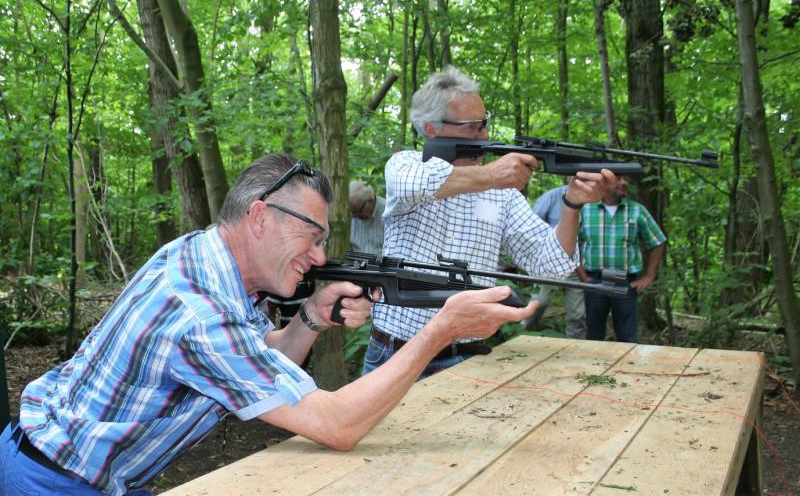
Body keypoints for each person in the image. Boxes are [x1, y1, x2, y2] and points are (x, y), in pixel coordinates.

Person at [1, 153, 536, 496]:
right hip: (53, 480)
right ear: (259, 217)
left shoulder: (202, 256)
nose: (321, 254)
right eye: (314, 236)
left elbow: (254, 359)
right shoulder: (198, 308)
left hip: (63, 462)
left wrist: (308, 317)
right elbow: (337, 426)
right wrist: (440, 329)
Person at [364, 66, 615, 378]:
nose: (484, 135)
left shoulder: (503, 195)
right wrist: (493, 175)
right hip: (395, 354)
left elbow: (551, 264)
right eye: (473, 126)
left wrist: (573, 202)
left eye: (485, 124)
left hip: (468, 358)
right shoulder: (406, 165)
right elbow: (413, 185)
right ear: (431, 129)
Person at [576, 175, 666, 343]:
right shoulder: (586, 210)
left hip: (623, 280)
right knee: (594, 333)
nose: (624, 183)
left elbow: (658, 241)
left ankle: (625, 367)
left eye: (626, 179)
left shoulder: (636, 210)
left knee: (626, 334)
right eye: (617, 179)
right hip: (595, 280)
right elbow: (571, 243)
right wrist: (583, 276)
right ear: (604, 182)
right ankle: (592, 368)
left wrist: (649, 275)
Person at [524, 183, 587, 338]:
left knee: (578, 314)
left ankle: (574, 346)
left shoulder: (593, 200)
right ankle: (522, 336)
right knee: (539, 303)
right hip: (549, 264)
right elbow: (530, 226)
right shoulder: (550, 197)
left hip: (577, 266)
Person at [349, 180, 385, 257]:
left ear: (371, 200)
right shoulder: (348, 217)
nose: (354, 216)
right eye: (352, 212)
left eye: (358, 211)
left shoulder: (388, 213)